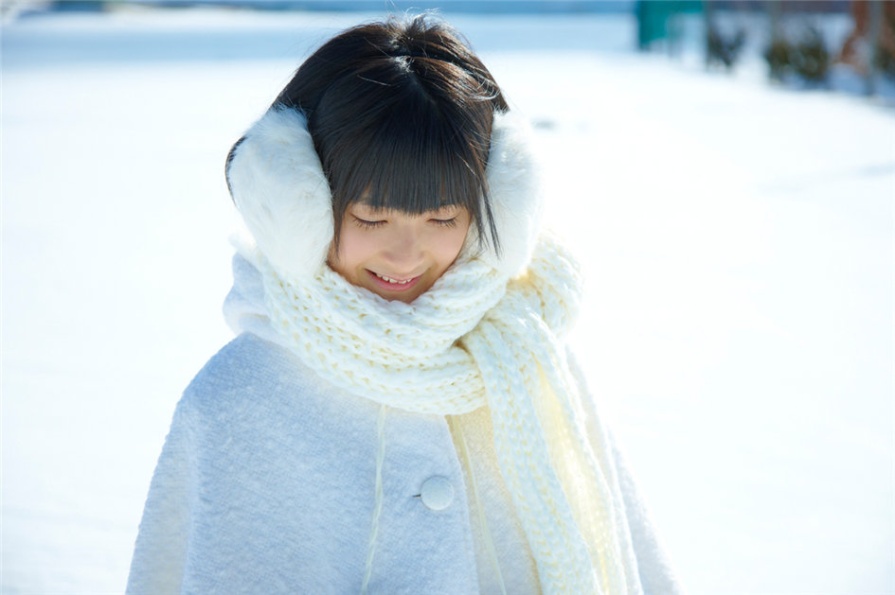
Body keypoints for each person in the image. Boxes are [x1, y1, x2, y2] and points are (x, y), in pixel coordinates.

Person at [127, 14, 681, 595]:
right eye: (371, 217)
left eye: (442, 217)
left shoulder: (534, 364)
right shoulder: (238, 399)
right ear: (298, 202)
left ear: (496, 210)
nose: (405, 254)